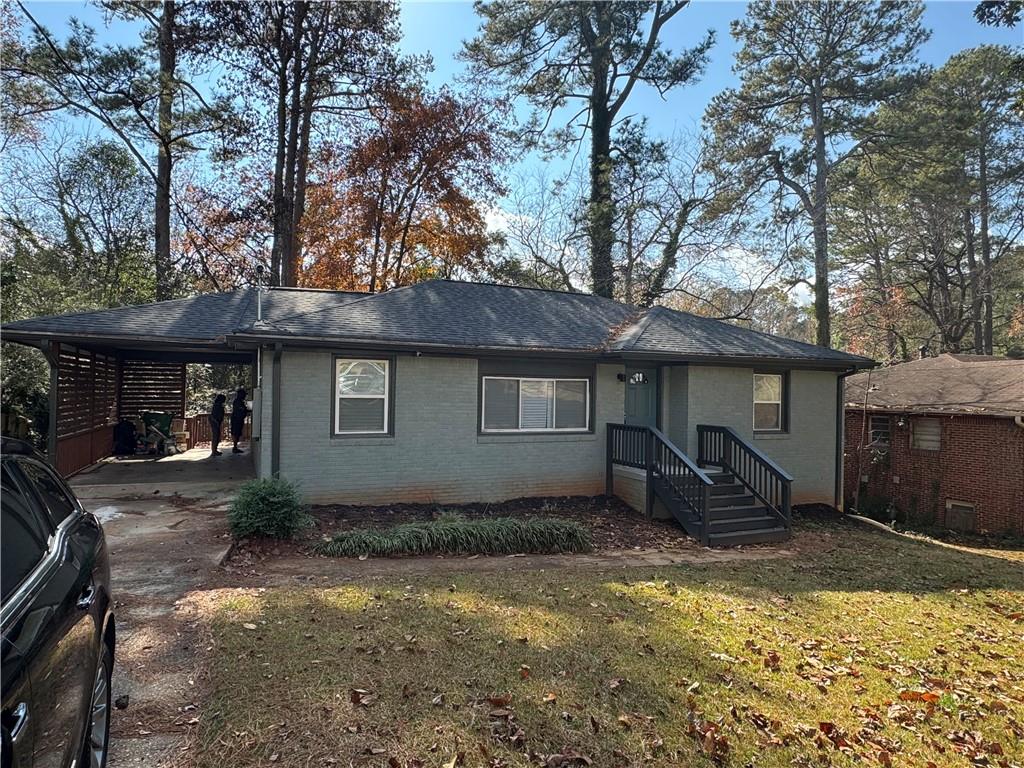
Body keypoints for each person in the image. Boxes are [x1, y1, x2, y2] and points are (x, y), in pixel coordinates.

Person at [230, 388, 249, 454]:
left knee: (237, 433)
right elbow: (240, 410)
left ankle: (235, 447)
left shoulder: (240, 401)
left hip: (239, 420)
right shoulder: (237, 402)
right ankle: (235, 447)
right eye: (244, 395)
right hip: (236, 420)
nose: (244, 396)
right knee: (236, 433)